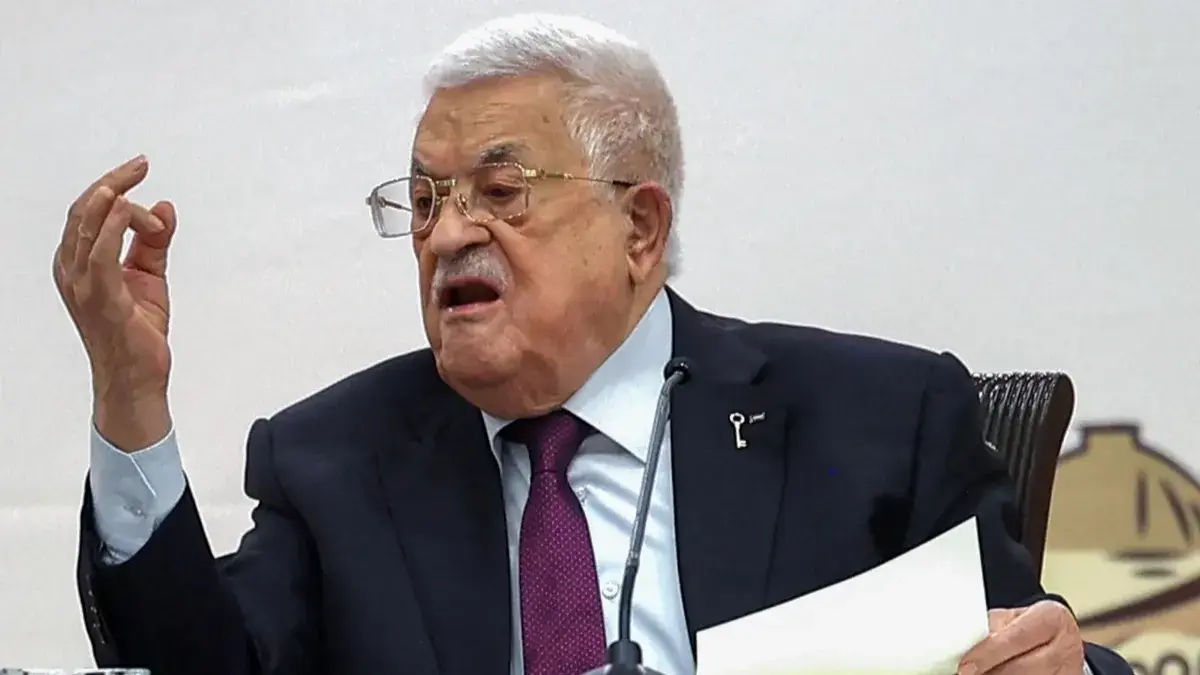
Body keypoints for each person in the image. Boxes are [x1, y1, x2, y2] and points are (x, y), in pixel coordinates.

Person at [52, 13, 1132, 675]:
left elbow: (1034, 648)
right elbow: (199, 667)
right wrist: (130, 401)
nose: (448, 234)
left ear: (641, 229)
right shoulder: (336, 459)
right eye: (423, 201)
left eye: (501, 191)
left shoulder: (879, 421)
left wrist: (1069, 671)